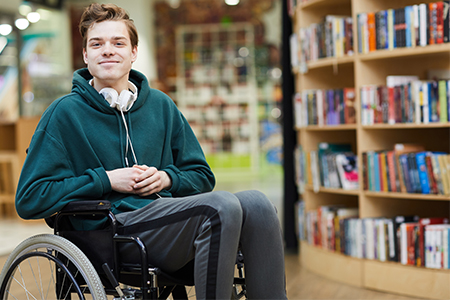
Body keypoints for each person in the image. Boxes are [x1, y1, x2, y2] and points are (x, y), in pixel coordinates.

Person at [15, 3, 287, 300]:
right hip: (113, 233)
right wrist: (107, 180)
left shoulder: (161, 106)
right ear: (85, 55)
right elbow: (30, 198)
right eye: (97, 44)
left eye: (118, 42)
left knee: (258, 205)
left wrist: (166, 180)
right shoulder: (63, 114)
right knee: (220, 206)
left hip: (167, 222)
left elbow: (202, 176)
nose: (107, 50)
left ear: (133, 52)